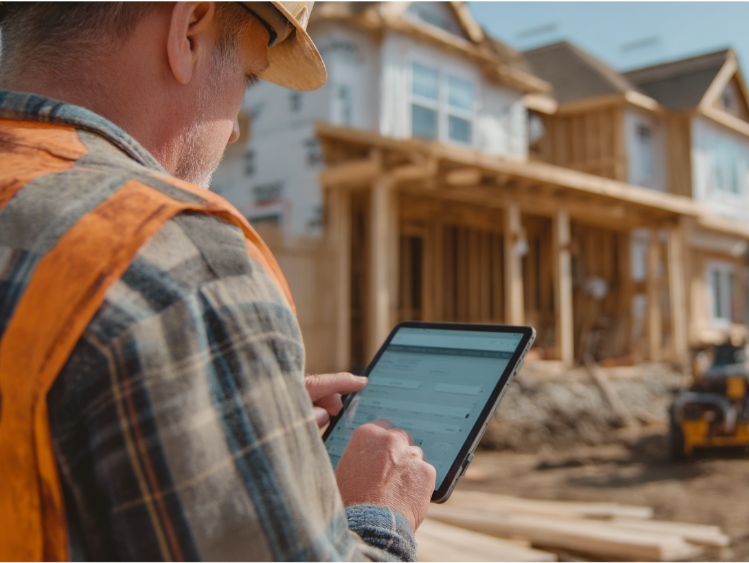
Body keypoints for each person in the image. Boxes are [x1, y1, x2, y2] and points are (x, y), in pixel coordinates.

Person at [0, 2, 436, 562]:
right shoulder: (181, 257)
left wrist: (213, 390)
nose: (233, 131)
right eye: (249, 77)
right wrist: (380, 518)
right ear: (188, 27)